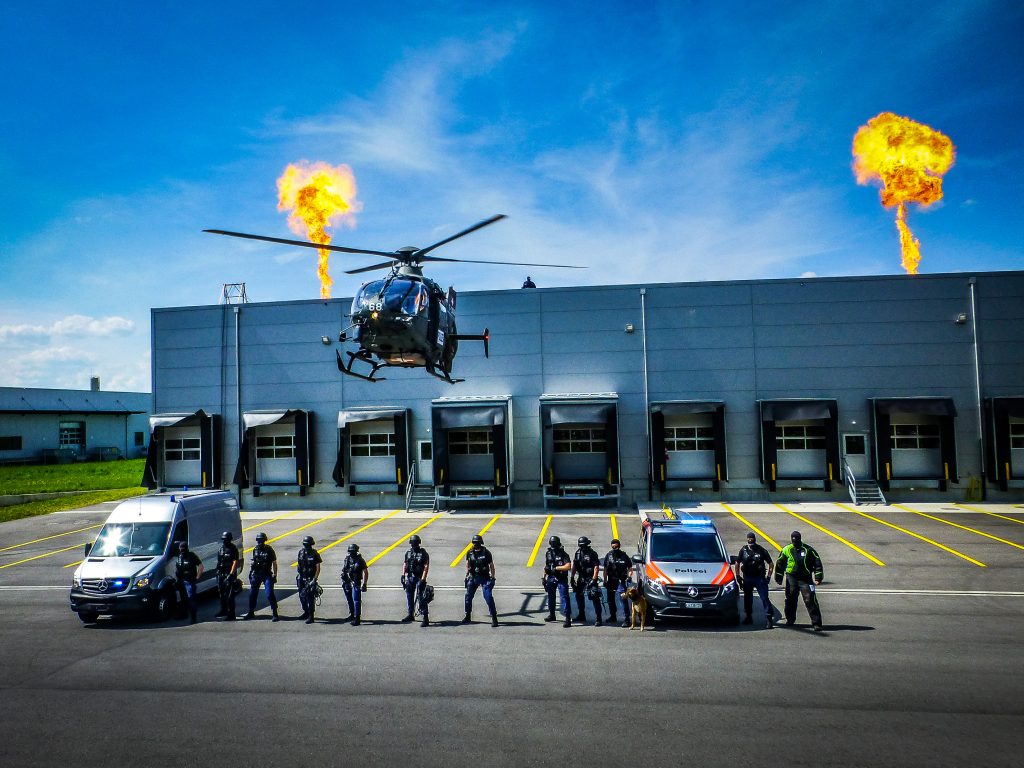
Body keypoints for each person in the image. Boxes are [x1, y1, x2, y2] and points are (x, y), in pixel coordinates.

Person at [774, 531, 824, 631]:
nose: (794, 542)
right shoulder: (787, 549)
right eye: (793, 540)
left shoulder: (808, 550)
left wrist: (818, 577)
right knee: (790, 597)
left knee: (810, 599)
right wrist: (778, 578)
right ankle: (790, 619)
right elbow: (780, 563)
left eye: (796, 540)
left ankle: (816, 623)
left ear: (800, 539)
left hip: (805, 578)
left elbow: (817, 562)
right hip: (791, 577)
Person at [734, 532, 775, 628]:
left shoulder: (761, 550)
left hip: (759, 578)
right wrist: (738, 576)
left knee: (764, 598)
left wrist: (768, 577)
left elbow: (771, 564)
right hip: (747, 578)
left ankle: (769, 618)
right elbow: (737, 562)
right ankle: (748, 617)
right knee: (748, 599)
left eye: (752, 540)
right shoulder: (743, 550)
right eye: (749, 540)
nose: (750, 542)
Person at [463, 534, 498, 627]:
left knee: (488, 597)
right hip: (473, 577)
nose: (475, 544)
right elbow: (467, 564)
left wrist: (493, 577)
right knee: (468, 596)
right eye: (474, 543)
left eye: (477, 543)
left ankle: (494, 617)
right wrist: (467, 575)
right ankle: (468, 615)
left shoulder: (486, 552)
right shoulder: (470, 553)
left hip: (485, 578)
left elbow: (491, 566)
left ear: (481, 543)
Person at [244, 531, 279, 621]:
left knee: (269, 593)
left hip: (266, 574)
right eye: (258, 541)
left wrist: (275, 574)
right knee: (252, 594)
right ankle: (251, 612)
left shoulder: (269, 550)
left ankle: (275, 613)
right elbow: (254, 562)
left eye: (261, 540)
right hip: (256, 574)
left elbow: (274, 563)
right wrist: (251, 574)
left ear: (264, 541)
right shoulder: (255, 549)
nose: (260, 542)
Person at [571, 536, 603, 626]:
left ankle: (598, 618)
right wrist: (572, 577)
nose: (582, 547)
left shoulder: (592, 553)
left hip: (590, 578)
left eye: (583, 545)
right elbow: (574, 565)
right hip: (581, 578)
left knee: (594, 596)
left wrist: (594, 579)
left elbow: (596, 567)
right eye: (581, 546)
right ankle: (581, 615)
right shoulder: (577, 553)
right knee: (579, 596)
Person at [542, 535, 573, 628]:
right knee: (550, 597)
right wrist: (543, 578)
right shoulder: (548, 553)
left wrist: (556, 568)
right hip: (551, 578)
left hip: (561, 578)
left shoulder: (563, 554)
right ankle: (552, 615)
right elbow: (546, 566)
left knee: (564, 597)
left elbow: (568, 566)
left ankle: (567, 618)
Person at [602, 538, 633, 628]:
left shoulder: (624, 556)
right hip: (611, 580)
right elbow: (605, 569)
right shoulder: (609, 555)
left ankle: (627, 619)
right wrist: (605, 580)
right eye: (613, 547)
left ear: (619, 546)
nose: (615, 548)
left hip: (621, 581)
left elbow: (630, 568)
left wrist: (629, 577)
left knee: (623, 599)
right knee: (610, 599)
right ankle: (613, 616)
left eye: (616, 546)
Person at [402, 534, 430, 627]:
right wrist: (403, 575)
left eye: (415, 543)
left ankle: (425, 617)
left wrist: (423, 579)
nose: (414, 545)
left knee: (421, 597)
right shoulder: (408, 553)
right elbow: (405, 564)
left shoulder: (423, 553)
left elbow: (426, 566)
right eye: (412, 543)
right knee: (409, 596)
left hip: (419, 578)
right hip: (410, 577)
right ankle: (410, 614)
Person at [175, 541, 203, 624]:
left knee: (191, 599)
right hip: (181, 581)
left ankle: (193, 618)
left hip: (190, 581)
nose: (182, 550)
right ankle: (184, 614)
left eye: (183, 548)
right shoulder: (180, 557)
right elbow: (177, 568)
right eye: (181, 548)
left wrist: (197, 577)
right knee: (183, 599)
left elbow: (201, 566)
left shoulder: (192, 556)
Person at [296, 536, 322, 625]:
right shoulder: (301, 552)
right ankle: (305, 612)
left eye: (308, 544)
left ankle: (311, 615)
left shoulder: (314, 554)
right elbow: (299, 565)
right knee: (301, 596)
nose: (306, 546)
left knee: (310, 597)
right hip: (302, 577)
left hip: (310, 578)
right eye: (305, 544)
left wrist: (314, 579)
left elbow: (318, 567)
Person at [341, 543, 369, 626]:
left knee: (356, 600)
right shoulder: (347, 559)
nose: (351, 553)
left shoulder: (360, 560)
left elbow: (365, 572)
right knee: (349, 599)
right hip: (347, 582)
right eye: (350, 551)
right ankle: (352, 614)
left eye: (353, 551)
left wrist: (364, 584)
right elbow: (344, 570)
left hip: (356, 583)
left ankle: (357, 618)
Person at [214, 531, 239, 620]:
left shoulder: (233, 549)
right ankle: (223, 610)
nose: (224, 541)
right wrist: (217, 573)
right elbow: (219, 561)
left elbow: (235, 562)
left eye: (226, 539)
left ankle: (231, 614)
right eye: (223, 539)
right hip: (221, 574)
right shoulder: (221, 549)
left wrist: (231, 574)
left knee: (229, 595)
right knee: (222, 594)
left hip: (229, 574)